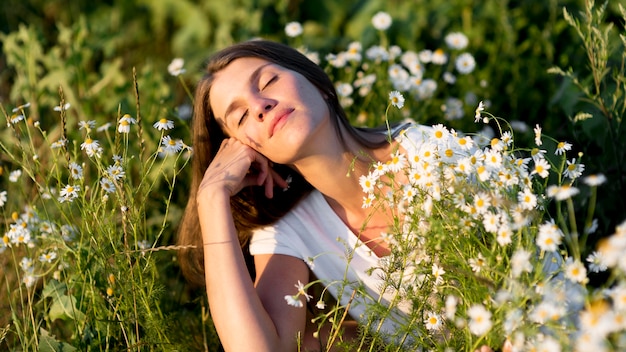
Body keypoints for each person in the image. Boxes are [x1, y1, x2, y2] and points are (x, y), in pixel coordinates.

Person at [176, 39, 503, 351]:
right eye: (242, 116)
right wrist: (212, 196)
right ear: (244, 150)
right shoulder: (289, 229)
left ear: (316, 82)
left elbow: (520, 276)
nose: (260, 106)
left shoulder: (431, 153)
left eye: (268, 81)